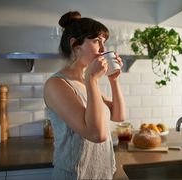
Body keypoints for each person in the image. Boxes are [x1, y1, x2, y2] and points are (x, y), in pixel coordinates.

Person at [43, 11, 126, 180]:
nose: (103, 49)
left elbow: (118, 115)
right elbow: (97, 135)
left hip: (100, 173)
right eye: (96, 41)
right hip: (74, 175)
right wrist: (92, 80)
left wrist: (113, 79)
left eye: (103, 42)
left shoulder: (84, 81)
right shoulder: (57, 84)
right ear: (75, 45)